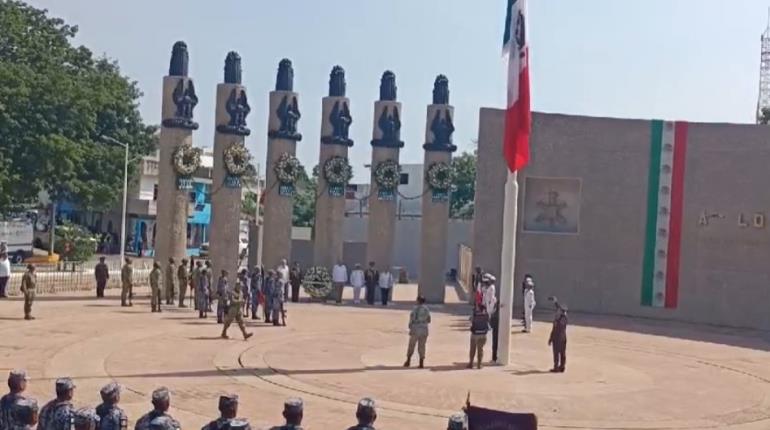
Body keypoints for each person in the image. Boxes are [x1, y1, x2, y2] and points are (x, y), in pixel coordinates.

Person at [404, 296, 431, 368]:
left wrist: (410, 326)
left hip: (416, 328)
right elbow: (429, 320)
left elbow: (412, 318)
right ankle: (421, 363)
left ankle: (408, 361)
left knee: (411, 345)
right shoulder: (427, 309)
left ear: (418, 301)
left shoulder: (415, 309)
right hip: (424, 329)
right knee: (422, 346)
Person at [548, 300, 568, 373]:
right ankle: (560, 366)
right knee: (561, 353)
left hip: (559, 338)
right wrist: (555, 302)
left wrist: (551, 338)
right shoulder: (562, 317)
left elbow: (556, 329)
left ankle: (558, 367)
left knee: (558, 353)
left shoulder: (561, 319)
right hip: (561, 338)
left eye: (559, 311)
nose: (557, 311)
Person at [468, 304, 490, 369]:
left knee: (472, 350)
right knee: (480, 350)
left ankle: (471, 363)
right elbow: (488, 321)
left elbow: (470, 320)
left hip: (474, 334)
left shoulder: (475, 314)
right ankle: (479, 364)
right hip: (483, 334)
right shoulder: (486, 315)